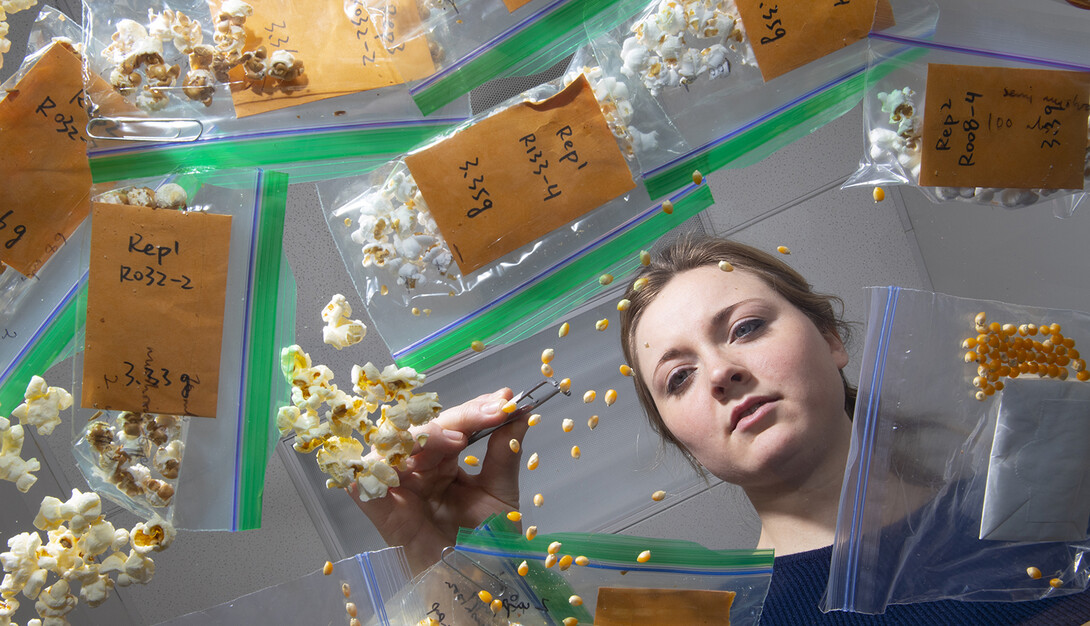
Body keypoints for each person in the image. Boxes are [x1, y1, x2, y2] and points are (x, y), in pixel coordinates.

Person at [350, 234, 1090, 624]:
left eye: (744, 328)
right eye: (676, 377)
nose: (720, 372)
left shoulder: (1044, 493)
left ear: (831, 339)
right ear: (685, 442)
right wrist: (445, 559)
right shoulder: (719, 623)